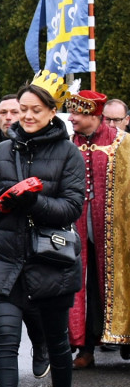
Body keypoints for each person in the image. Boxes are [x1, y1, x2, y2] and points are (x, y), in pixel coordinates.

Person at [0, 74, 84, 387]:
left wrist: (33, 201)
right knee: (4, 345)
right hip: (6, 259)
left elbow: (72, 207)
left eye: (36, 110)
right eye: (23, 110)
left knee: (56, 344)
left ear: (53, 112)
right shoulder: (3, 150)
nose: (27, 116)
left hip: (51, 261)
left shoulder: (69, 153)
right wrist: (5, 199)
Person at [0, 94, 50, 382]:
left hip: (33, 235)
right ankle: (2, 361)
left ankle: (40, 342)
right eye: (2, 112)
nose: (8, 117)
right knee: (0, 296)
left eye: (13, 111)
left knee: (29, 299)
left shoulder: (43, 147)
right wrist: (2, 197)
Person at [66, 89, 130, 367]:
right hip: (78, 231)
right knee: (83, 286)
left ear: (93, 114)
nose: (71, 118)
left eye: (77, 113)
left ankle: (125, 343)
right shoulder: (68, 144)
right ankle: (85, 347)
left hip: (117, 232)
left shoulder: (123, 143)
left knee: (119, 282)